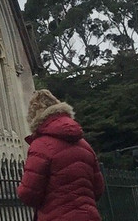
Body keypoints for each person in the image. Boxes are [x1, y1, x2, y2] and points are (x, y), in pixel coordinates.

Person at [16, 89, 105, 221]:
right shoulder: (85, 145)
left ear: (35, 117)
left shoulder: (41, 146)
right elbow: (98, 188)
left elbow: (29, 193)